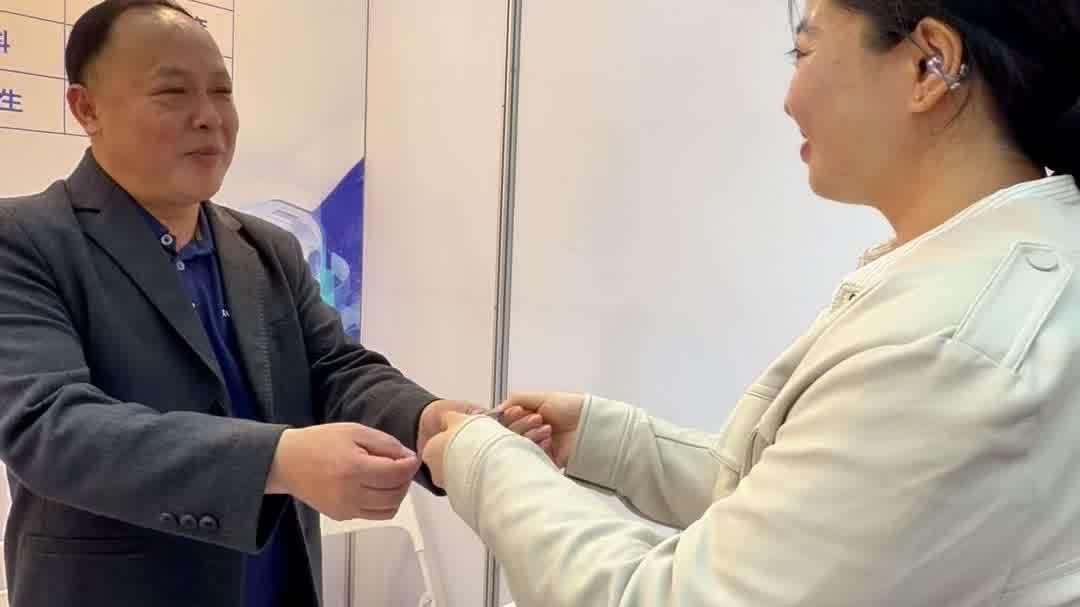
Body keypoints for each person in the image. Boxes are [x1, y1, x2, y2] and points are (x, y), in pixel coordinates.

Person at [422, 0, 1080, 605]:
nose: (789, 99)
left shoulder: (947, 346)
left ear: (927, 65)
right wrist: (611, 443)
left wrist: (484, 463)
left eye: (804, 52)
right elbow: (816, 516)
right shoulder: (1004, 275)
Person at [0, 1, 547, 606]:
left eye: (221, 92)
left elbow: (335, 370)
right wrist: (277, 461)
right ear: (86, 108)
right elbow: (48, 425)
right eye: (173, 93)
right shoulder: (25, 240)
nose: (209, 118)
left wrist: (429, 422)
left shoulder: (266, 248)